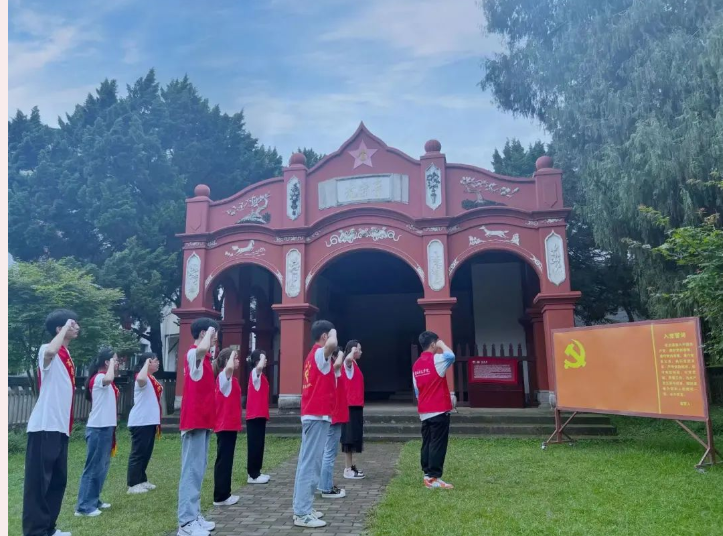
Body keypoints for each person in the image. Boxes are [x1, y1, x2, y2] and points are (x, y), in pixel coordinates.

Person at [23, 309, 79, 536]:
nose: (77, 327)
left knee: (57, 481)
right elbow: (50, 352)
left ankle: (49, 528)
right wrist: (65, 328)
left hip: (60, 428)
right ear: (59, 328)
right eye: (72, 324)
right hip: (44, 426)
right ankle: (35, 531)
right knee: (38, 484)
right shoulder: (47, 349)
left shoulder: (67, 356)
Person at [291, 320, 338, 529]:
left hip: (315, 415)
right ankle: (302, 512)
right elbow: (332, 345)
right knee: (310, 465)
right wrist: (333, 331)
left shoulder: (314, 355)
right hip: (316, 416)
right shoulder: (319, 352)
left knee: (308, 463)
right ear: (325, 336)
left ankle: (302, 507)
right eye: (330, 334)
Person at [177, 318, 220, 536]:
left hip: (203, 421)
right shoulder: (193, 353)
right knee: (191, 471)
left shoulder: (204, 359)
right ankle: (186, 523)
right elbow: (202, 349)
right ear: (203, 333)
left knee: (198, 470)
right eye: (213, 334)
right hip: (194, 422)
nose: (216, 338)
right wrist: (211, 331)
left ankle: (194, 515)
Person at [75, 347, 119, 517]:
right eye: (115, 360)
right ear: (107, 362)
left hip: (106, 427)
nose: (118, 363)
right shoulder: (100, 377)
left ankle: (94, 499)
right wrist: (111, 366)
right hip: (98, 428)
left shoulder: (104, 379)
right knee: (93, 467)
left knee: (101, 467)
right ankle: (84, 506)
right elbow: (108, 378)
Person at [412, 331, 456, 490]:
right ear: (432, 344)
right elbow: (451, 356)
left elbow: (417, 390)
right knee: (438, 444)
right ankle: (434, 477)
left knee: (427, 442)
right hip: (438, 409)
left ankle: (427, 474)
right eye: (436, 343)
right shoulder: (437, 359)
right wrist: (442, 343)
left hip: (424, 410)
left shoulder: (416, 364)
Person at [318, 347, 355, 499]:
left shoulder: (327, 369)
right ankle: (326, 488)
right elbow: (337, 365)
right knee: (329, 454)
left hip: (333, 415)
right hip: (334, 416)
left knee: (327, 452)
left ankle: (324, 484)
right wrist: (339, 353)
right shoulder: (332, 369)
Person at [127, 353, 163, 494]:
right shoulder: (141, 377)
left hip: (150, 420)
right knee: (138, 453)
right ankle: (133, 484)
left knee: (146, 452)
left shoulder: (151, 378)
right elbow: (141, 378)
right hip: (141, 421)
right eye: (155, 361)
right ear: (147, 363)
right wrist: (147, 363)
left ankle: (142, 479)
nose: (158, 363)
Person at [212, 348, 242, 507]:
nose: (238, 361)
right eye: (235, 358)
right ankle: (221, 496)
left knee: (226, 460)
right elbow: (229, 367)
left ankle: (224, 493)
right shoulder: (224, 376)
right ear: (227, 361)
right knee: (224, 460)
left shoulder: (230, 378)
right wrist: (232, 353)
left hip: (230, 425)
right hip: (224, 425)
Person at [340, 340, 366, 480]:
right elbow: (348, 359)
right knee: (348, 438)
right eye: (358, 349)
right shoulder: (348, 364)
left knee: (354, 437)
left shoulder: (355, 364)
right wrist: (352, 351)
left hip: (356, 405)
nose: (361, 352)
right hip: (349, 406)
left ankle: (351, 466)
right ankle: (347, 469)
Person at [245, 349, 271, 485]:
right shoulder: (255, 373)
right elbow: (259, 367)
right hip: (254, 415)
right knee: (254, 445)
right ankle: (252, 474)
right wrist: (261, 356)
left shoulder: (261, 376)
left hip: (260, 414)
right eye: (263, 358)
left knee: (259, 445)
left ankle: (257, 472)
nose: (265, 360)